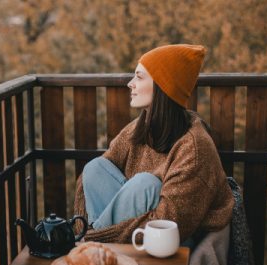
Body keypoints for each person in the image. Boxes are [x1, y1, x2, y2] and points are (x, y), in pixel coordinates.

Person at [74, 44, 234, 245]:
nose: (130, 84)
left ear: (163, 87)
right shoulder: (141, 126)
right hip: (128, 224)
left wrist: (90, 239)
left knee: (145, 185)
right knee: (95, 168)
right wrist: (82, 230)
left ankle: (96, 247)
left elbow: (169, 222)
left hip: (176, 234)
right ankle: (96, 245)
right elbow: (89, 180)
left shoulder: (194, 147)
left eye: (139, 77)